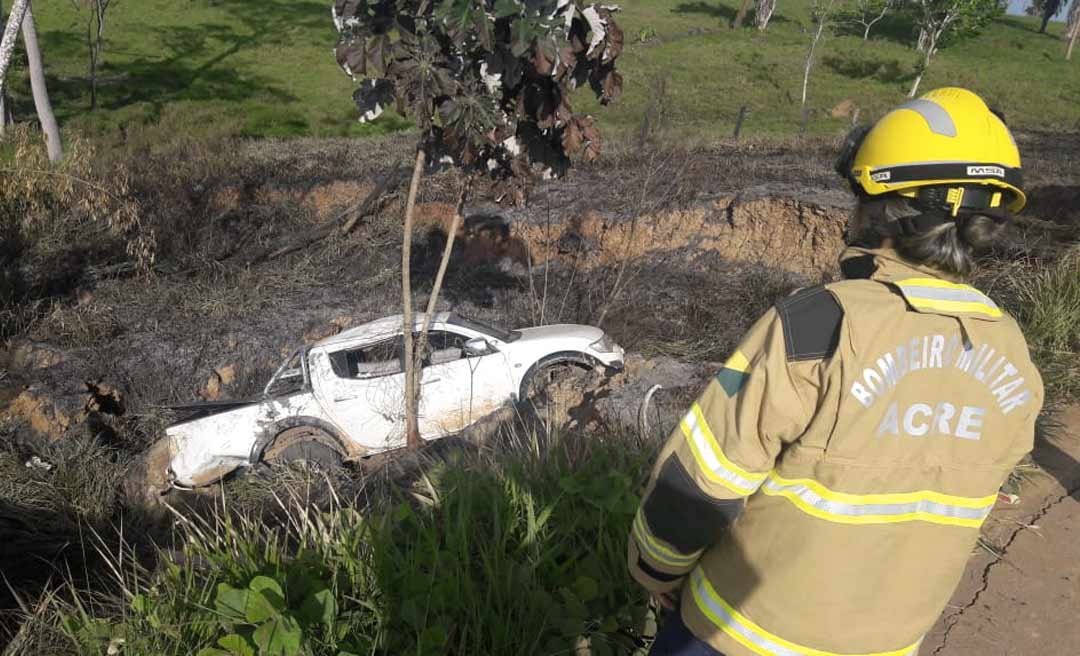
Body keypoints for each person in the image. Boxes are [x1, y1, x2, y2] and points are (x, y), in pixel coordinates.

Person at [628, 87, 1043, 656]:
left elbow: (703, 483)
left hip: (741, 634)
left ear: (883, 209)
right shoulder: (1013, 353)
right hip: (887, 644)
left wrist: (656, 571)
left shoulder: (817, 324)